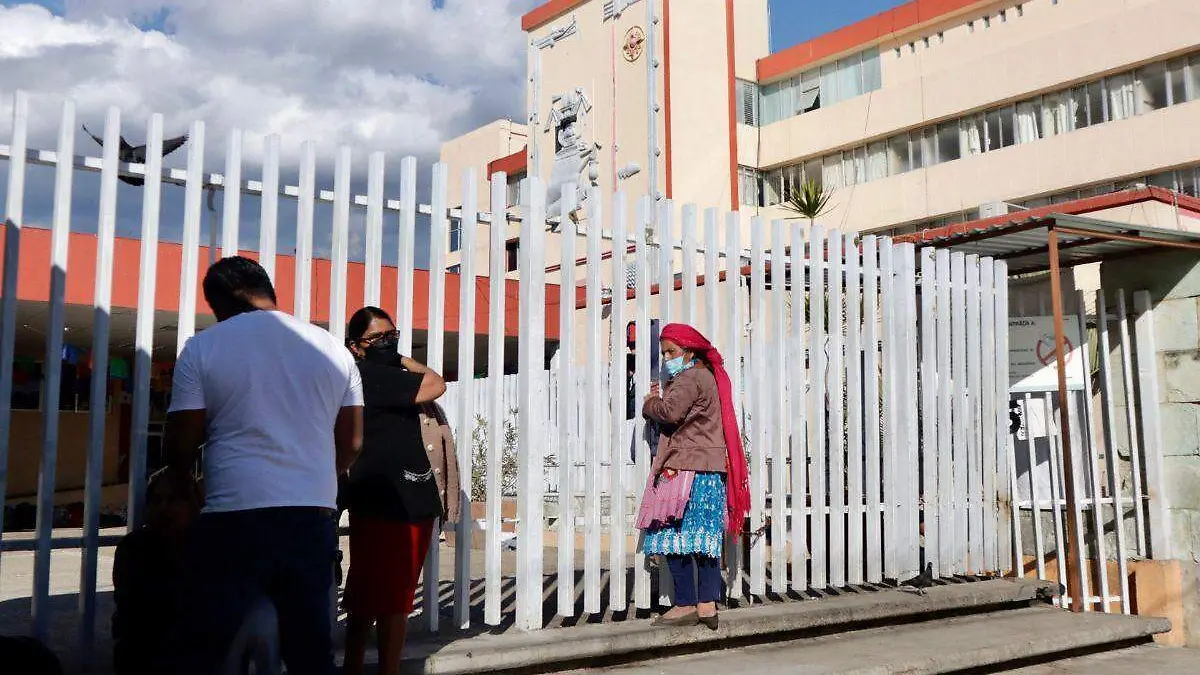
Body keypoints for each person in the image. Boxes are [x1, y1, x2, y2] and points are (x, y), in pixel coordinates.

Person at [164, 256, 363, 675]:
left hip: (233, 515)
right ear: (267, 289)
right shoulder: (331, 349)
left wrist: (184, 486)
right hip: (310, 516)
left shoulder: (204, 347)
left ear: (219, 303)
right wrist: (321, 475)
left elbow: (182, 439)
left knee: (207, 648)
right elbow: (353, 441)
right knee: (311, 652)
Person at [340, 306, 457, 675]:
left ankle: (355, 667)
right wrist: (402, 357)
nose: (387, 344)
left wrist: (392, 354)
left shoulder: (370, 373)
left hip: (405, 496)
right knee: (389, 599)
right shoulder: (369, 374)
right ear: (356, 346)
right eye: (377, 338)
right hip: (389, 500)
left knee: (370, 595)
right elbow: (437, 383)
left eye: (392, 336)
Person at [640, 323, 750, 630]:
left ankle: (686, 603)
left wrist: (650, 403)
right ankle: (707, 604)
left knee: (670, 533)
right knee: (704, 538)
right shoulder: (708, 376)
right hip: (709, 469)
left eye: (671, 352)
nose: (667, 359)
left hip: (685, 468)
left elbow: (670, 413)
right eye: (663, 353)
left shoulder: (689, 378)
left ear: (689, 350)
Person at [112, 469, 199, 674]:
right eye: (157, 500)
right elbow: (134, 612)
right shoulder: (134, 547)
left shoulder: (208, 546)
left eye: (175, 499)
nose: (164, 507)